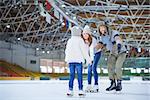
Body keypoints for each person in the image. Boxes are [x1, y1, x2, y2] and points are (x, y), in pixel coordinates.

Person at [98, 25, 126, 92]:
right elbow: (101, 44)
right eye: (101, 30)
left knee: (118, 66)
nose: (103, 31)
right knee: (109, 66)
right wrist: (93, 49)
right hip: (112, 53)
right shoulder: (102, 37)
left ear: (106, 28)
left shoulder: (113, 32)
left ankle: (119, 83)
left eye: (103, 29)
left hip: (121, 52)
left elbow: (117, 38)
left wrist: (119, 44)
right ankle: (113, 83)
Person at [65, 26, 92, 96]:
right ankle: (80, 90)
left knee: (71, 76)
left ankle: (70, 90)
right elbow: (84, 51)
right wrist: (89, 60)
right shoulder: (80, 40)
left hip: (71, 61)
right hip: (78, 61)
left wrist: (67, 59)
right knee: (79, 75)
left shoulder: (69, 40)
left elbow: (66, 51)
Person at [82, 25, 103, 93]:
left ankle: (96, 85)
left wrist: (90, 61)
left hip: (97, 53)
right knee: (89, 70)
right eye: (84, 34)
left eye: (86, 34)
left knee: (93, 67)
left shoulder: (93, 40)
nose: (85, 35)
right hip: (90, 55)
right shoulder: (83, 41)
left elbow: (92, 51)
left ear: (89, 34)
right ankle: (89, 85)